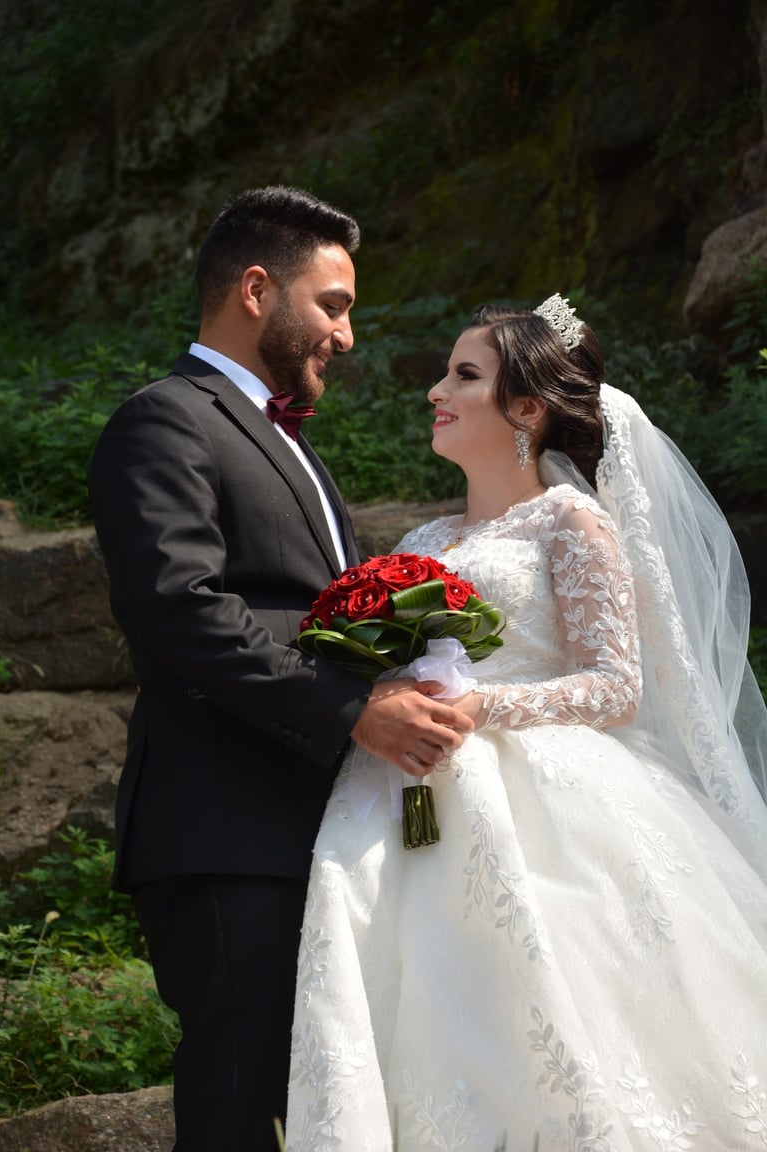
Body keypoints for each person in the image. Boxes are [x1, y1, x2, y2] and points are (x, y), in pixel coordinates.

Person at [285, 295, 767, 1151]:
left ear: (527, 410)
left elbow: (614, 687)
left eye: (464, 375)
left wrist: (484, 706)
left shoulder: (571, 522)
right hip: (397, 792)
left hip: (541, 802)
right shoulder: (424, 537)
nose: (436, 391)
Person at [87, 186, 473, 1152]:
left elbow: (317, 613)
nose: (346, 335)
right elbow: (178, 608)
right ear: (256, 290)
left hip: (311, 819)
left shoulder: (287, 441)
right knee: (237, 1095)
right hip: (227, 826)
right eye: (332, 306)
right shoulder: (166, 420)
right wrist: (353, 709)